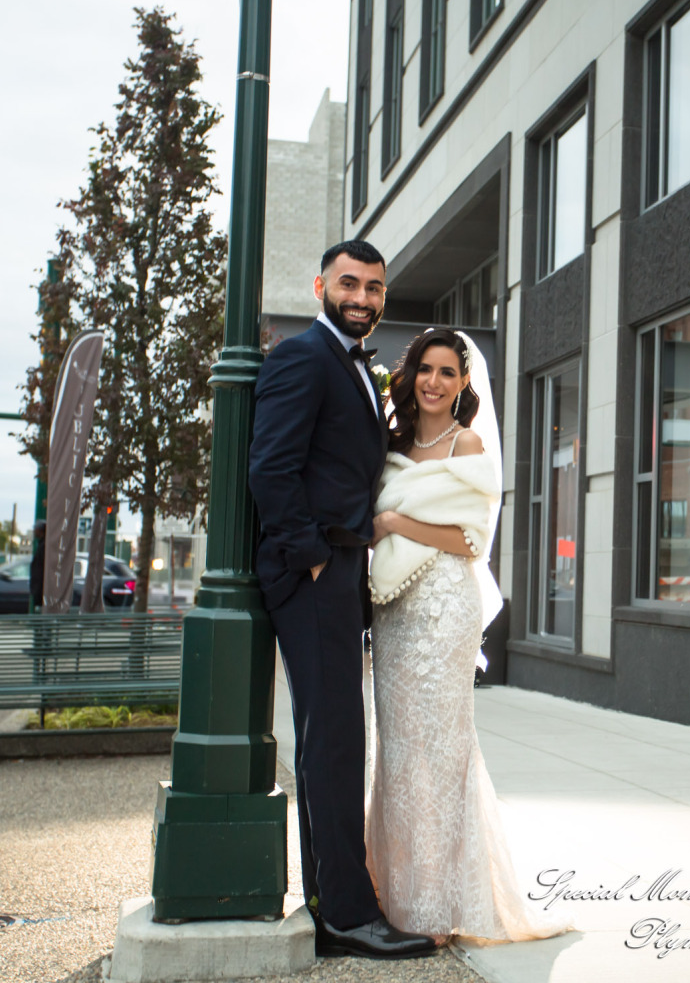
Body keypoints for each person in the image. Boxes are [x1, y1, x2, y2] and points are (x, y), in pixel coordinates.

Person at [248, 240, 436, 961]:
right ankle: (349, 917)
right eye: (349, 284)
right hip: (313, 575)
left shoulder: (350, 363)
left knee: (331, 741)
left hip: (336, 574)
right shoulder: (303, 355)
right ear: (320, 284)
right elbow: (272, 464)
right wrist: (315, 559)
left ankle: (332, 905)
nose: (361, 297)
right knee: (334, 742)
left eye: (374, 287)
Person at [365, 328, 561, 943]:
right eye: (425, 369)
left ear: (462, 383)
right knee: (396, 749)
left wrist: (395, 520)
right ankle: (394, 897)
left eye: (448, 372)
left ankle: (442, 905)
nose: (433, 382)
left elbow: (469, 540)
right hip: (394, 611)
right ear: (411, 375)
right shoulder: (389, 446)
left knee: (442, 751)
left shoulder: (468, 443)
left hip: (445, 607)